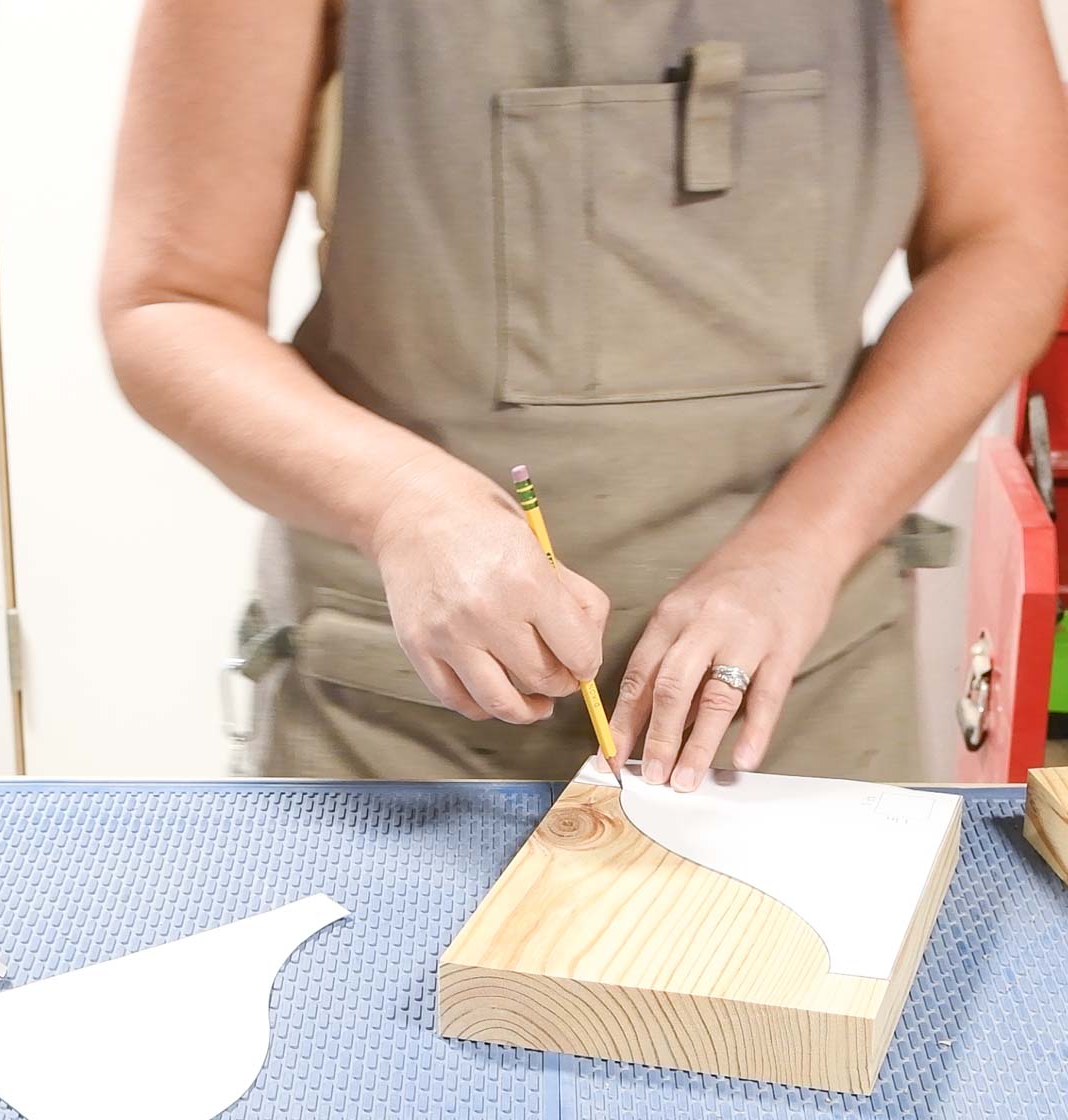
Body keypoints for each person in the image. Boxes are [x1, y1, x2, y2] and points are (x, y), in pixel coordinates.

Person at [100, 0, 1068, 785]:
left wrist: (796, 553)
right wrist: (408, 508)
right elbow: (169, 300)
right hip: (398, 730)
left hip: (792, 703)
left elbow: (1012, 240)